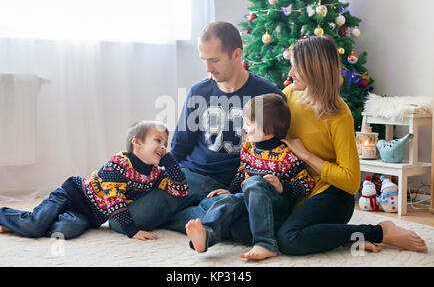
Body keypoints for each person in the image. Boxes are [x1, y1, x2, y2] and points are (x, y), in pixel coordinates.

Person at [109, 21, 284, 242]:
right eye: (204, 60)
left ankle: (191, 215)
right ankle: (195, 215)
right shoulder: (199, 91)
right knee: (119, 221)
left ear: (237, 54)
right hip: (189, 177)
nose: (208, 68)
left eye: (214, 60)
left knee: (242, 227)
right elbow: (181, 146)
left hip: (229, 186)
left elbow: (274, 150)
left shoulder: (267, 95)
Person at [274, 35, 427, 255]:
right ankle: (338, 235)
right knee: (248, 227)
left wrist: (306, 155)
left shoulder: (339, 114)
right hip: (298, 188)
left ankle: (379, 231)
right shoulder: (288, 96)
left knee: (289, 240)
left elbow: (351, 181)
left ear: (314, 70)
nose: (290, 74)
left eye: (296, 69)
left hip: (332, 194)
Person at [0, 121, 189, 241]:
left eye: (165, 143)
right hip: (72, 194)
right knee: (36, 225)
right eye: (157, 141)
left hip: (90, 215)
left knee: (66, 231)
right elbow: (113, 200)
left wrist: (170, 163)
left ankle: (17, 224)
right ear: (137, 144)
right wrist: (132, 231)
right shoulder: (118, 163)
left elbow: (180, 190)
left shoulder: (154, 175)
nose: (163, 147)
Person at [185, 93, 315, 260]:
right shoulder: (249, 147)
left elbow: (306, 183)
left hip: (277, 202)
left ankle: (266, 244)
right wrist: (229, 190)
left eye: (248, 123)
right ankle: (207, 235)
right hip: (250, 197)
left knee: (254, 183)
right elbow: (242, 172)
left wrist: (283, 187)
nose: (244, 128)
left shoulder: (286, 154)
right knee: (228, 200)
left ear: (269, 127)